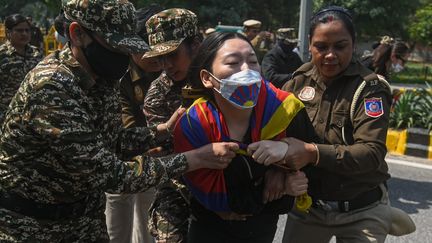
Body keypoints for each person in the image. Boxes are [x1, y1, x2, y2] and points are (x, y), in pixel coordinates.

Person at [0, 0, 239, 242]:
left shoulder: (100, 78)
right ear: (78, 34)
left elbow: (111, 141)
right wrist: (194, 159)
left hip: (83, 220)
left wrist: (161, 131)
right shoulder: (52, 86)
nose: (123, 57)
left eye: (128, 48)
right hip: (33, 227)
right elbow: (108, 173)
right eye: (115, 46)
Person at [281, 6, 415, 243]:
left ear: (353, 44)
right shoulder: (297, 83)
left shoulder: (370, 88)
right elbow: (276, 136)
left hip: (362, 211)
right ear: (309, 44)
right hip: (308, 208)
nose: (330, 55)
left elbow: (371, 152)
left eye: (340, 46)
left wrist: (312, 153)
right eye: (321, 47)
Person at [174, 32, 317, 243]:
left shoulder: (286, 111)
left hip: (260, 230)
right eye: (233, 62)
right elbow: (209, 194)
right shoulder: (193, 125)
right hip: (208, 229)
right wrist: (271, 184)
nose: (246, 70)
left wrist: (285, 165)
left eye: (252, 61)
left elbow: (310, 161)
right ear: (207, 78)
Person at [143, 8, 203, 243]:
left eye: (173, 55)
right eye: (160, 58)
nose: (166, 65)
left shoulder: (222, 78)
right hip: (177, 188)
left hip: (225, 186)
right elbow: (164, 152)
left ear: (196, 44)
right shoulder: (158, 93)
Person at [104, 5, 163, 243]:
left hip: (157, 158)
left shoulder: (171, 69)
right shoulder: (116, 73)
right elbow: (123, 125)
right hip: (123, 160)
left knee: (148, 224)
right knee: (117, 228)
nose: (159, 58)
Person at [0, 14, 43, 124]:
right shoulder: (2, 55)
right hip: (6, 116)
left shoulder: (36, 54)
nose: (24, 34)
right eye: (19, 30)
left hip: (32, 116)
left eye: (27, 30)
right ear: (9, 32)